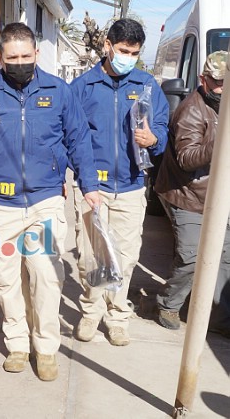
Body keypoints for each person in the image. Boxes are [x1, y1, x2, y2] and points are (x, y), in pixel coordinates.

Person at [0, 22, 101, 382]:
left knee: (46, 275)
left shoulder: (59, 92)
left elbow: (79, 141)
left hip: (46, 200)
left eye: (25, 56)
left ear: (37, 55)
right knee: (4, 277)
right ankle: (17, 342)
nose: (19, 63)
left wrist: (89, 185)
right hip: (0, 205)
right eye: (12, 57)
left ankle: (46, 348)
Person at [69, 18, 169, 346]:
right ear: (107, 46)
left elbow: (162, 131)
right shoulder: (82, 88)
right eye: (123, 50)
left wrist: (153, 139)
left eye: (135, 53)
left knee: (124, 257)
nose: (128, 57)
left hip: (130, 186)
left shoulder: (146, 85)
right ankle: (91, 309)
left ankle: (116, 316)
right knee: (92, 256)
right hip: (92, 187)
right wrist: (83, 181)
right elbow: (69, 137)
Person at [154, 50, 230, 334]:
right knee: (192, 255)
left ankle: (219, 318)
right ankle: (168, 304)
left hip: (220, 195)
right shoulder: (191, 109)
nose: (224, 87)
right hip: (187, 194)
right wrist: (222, 140)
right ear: (204, 79)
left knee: (224, 258)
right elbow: (187, 158)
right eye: (219, 82)